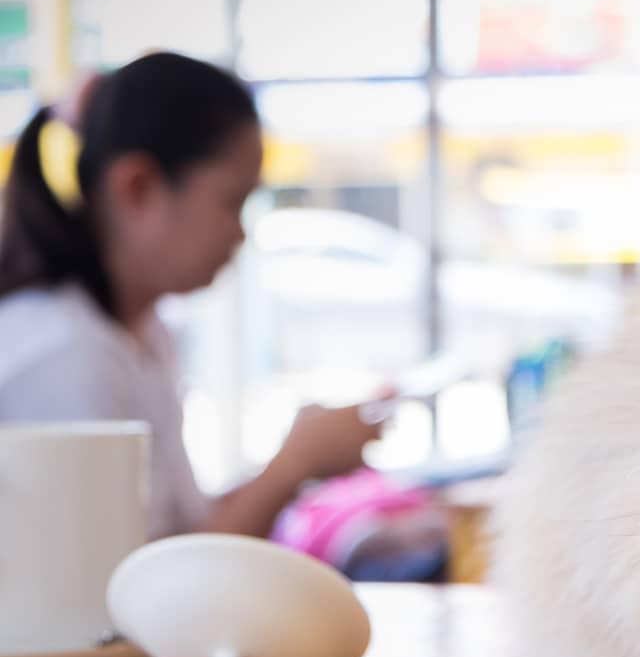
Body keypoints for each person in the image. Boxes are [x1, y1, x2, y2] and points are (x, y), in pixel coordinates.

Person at [0, 52, 385, 541]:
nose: (240, 234)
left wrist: (300, 456)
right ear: (137, 187)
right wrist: (293, 466)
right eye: (232, 201)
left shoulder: (142, 331)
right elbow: (141, 587)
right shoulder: (63, 352)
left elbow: (183, 535)